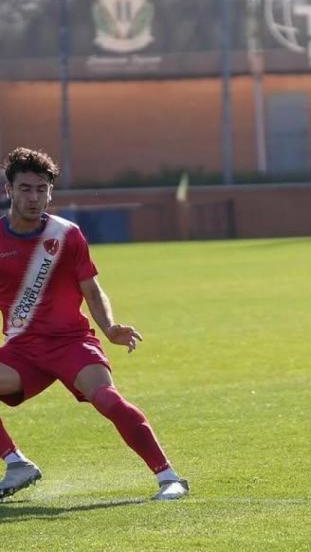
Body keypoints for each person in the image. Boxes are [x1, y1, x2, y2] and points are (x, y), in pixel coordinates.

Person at [0, 147, 188, 501]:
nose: (34, 197)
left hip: (71, 343)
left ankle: (169, 477)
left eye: (42, 189)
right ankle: (17, 464)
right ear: (9, 190)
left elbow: (91, 287)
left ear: (50, 192)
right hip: (24, 350)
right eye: (25, 188)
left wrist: (111, 327)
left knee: (107, 400)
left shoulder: (66, 234)